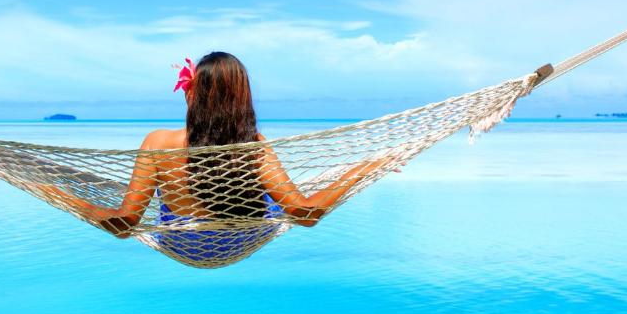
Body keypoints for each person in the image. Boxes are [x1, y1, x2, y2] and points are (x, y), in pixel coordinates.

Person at [38, 52, 394, 248]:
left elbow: (124, 224)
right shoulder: (253, 147)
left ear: (191, 93)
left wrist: (64, 197)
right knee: (281, 197)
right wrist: (364, 169)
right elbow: (305, 214)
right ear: (240, 100)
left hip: (183, 242)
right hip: (245, 234)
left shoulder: (158, 144)